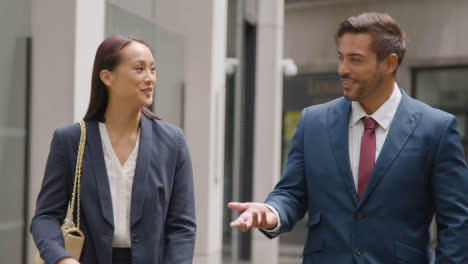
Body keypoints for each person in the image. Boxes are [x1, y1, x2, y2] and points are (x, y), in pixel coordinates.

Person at [228, 13, 468, 263]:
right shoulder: (313, 122)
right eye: (341, 58)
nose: (343, 69)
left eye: (355, 60)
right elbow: (291, 193)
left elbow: (457, 223)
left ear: (389, 63)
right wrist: (272, 212)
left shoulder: (436, 128)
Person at [31, 35, 196, 264]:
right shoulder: (71, 140)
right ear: (107, 77)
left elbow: (182, 227)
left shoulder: (172, 142)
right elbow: (45, 217)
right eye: (139, 69)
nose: (150, 78)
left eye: (153, 69)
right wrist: (62, 258)